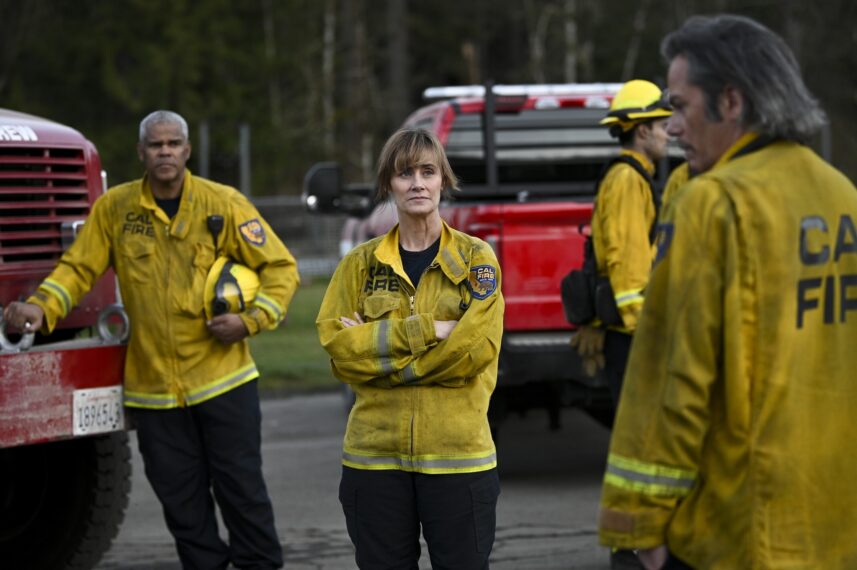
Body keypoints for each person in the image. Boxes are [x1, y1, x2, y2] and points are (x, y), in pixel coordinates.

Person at [599, 14, 857, 569]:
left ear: (732, 102)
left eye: (681, 106)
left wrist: (638, 521)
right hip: (834, 524)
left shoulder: (712, 203)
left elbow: (674, 378)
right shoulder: (843, 196)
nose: (670, 127)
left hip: (738, 528)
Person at [4, 110, 299, 569]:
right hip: (154, 392)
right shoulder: (115, 209)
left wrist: (251, 320)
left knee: (242, 491)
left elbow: (281, 269)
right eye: (155, 145)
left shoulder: (224, 203)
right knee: (181, 506)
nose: (165, 152)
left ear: (187, 150)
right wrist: (41, 308)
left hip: (224, 383)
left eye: (173, 143)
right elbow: (78, 269)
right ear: (141, 153)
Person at [316, 127, 504, 569]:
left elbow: (474, 353)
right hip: (374, 461)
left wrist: (380, 360)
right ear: (388, 184)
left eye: (427, 171)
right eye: (405, 174)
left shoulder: (477, 260)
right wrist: (429, 331)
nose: (417, 183)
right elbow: (339, 350)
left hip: (459, 460)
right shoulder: (358, 266)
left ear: (443, 180)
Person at [571, 79, 672, 406]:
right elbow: (627, 264)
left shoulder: (633, 176)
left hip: (627, 330)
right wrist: (646, 328)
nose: (668, 134)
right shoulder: (628, 179)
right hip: (631, 334)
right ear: (642, 132)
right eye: (662, 126)